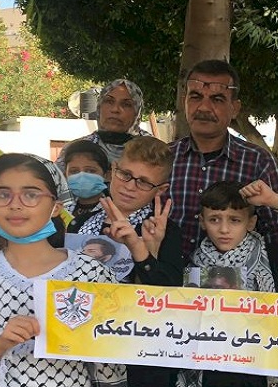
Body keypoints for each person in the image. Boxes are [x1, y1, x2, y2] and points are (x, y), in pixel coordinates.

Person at [0, 153, 127, 386]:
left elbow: (112, 367)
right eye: (3, 194)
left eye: (31, 194)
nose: (15, 204)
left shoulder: (91, 273)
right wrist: (1, 342)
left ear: (56, 207)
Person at [180, 179, 278, 387]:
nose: (224, 229)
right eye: (214, 220)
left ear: (250, 222)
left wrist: (274, 200)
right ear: (202, 222)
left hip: (256, 372)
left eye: (235, 220)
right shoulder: (193, 261)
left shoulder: (270, 254)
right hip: (207, 373)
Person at [167, 59, 278, 293]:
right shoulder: (164, 160)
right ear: (184, 101)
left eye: (217, 99)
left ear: (235, 108)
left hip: (238, 299)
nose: (204, 107)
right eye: (195, 96)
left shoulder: (258, 162)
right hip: (167, 294)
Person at [98, 135, 184, 387]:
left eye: (144, 182)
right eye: (125, 174)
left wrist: (143, 251)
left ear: (161, 190)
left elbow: (169, 296)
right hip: (84, 349)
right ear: (114, 169)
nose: (130, 186)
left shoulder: (164, 230)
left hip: (141, 360)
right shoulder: (81, 221)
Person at [55, 78, 149, 172]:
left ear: (137, 112)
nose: (115, 109)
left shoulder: (151, 151)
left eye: (126, 104)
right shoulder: (76, 150)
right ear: (99, 106)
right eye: (109, 101)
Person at [62, 139, 111, 235]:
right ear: (65, 176)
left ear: (106, 175)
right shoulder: (59, 210)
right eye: (74, 171)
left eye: (90, 171)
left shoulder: (114, 212)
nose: (82, 176)